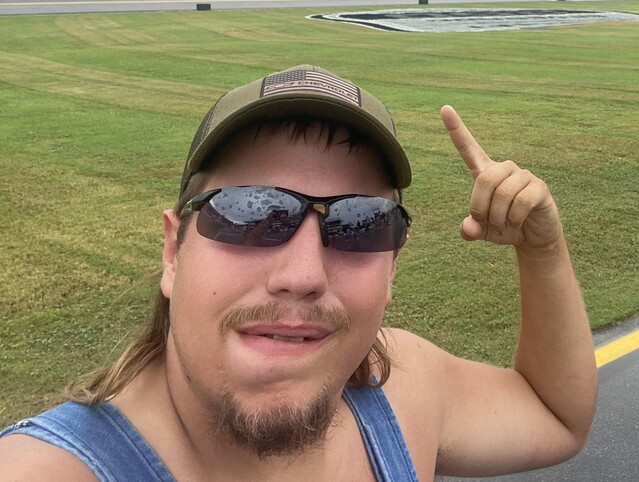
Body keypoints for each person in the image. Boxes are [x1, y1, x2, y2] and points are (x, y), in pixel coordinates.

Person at [0, 65, 597, 480]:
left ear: (393, 266)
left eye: (361, 223)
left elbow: (554, 416)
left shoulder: (401, 390)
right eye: (250, 211)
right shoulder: (45, 470)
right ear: (174, 253)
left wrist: (543, 250)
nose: (304, 274)